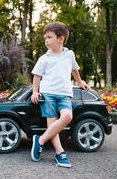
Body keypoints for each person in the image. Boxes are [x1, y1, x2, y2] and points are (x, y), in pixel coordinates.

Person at [30, 22, 90, 168]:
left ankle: (40, 140)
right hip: (48, 93)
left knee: (67, 117)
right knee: (52, 124)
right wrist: (35, 92)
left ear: (61, 39)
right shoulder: (44, 58)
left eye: (49, 37)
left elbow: (74, 70)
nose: (46, 41)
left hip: (64, 94)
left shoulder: (69, 54)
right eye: (45, 38)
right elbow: (36, 76)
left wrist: (80, 82)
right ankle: (60, 153)